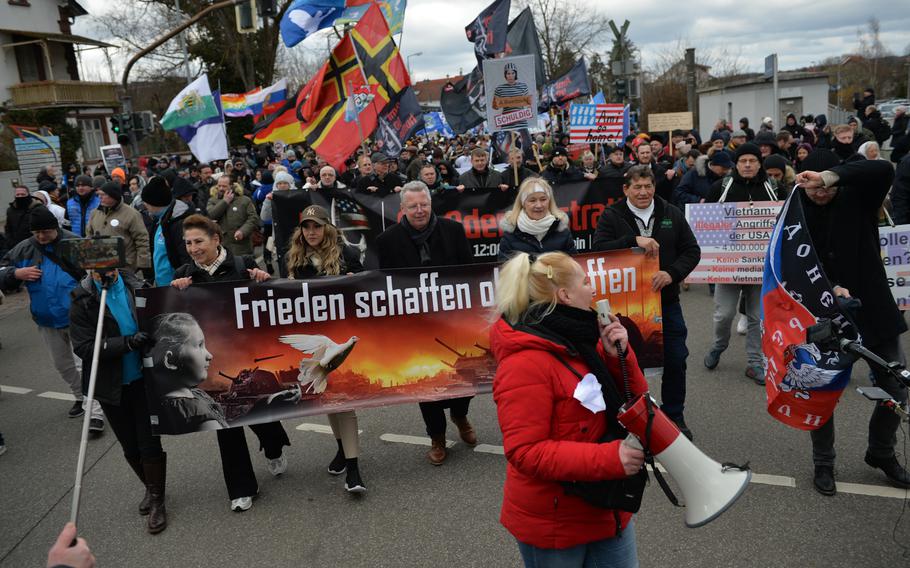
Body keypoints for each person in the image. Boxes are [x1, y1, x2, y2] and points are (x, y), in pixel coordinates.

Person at [490, 251, 647, 567]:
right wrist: (609, 458)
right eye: (586, 281)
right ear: (564, 294)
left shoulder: (581, 338)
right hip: (554, 523)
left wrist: (621, 355)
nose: (593, 289)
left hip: (606, 506)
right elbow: (525, 451)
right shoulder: (525, 362)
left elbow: (637, 405)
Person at [795, 152, 910, 494]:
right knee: (822, 390)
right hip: (825, 315)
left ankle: (881, 452)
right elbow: (789, 265)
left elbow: (881, 168)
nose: (818, 192)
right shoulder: (794, 212)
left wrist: (830, 176)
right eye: (811, 186)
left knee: (896, 387)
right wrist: (827, 285)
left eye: (823, 186)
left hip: (874, 310)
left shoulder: (858, 196)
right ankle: (824, 463)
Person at [170, 214, 289, 511]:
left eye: (199, 241)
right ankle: (241, 488)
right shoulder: (185, 273)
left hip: (246, 352)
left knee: (262, 415)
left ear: (216, 240)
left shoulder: (242, 264)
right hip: (215, 358)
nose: (193, 248)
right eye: (188, 243)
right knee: (225, 423)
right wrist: (173, 292)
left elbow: (269, 303)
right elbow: (173, 316)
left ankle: (274, 448)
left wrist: (263, 280)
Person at [593, 165, 701, 438]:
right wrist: (632, 240)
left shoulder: (671, 213)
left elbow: (692, 251)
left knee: (676, 360)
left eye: (648, 186)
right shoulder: (612, 214)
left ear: (654, 186)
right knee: (630, 363)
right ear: (626, 189)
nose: (644, 192)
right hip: (626, 307)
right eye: (637, 187)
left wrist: (672, 273)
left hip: (667, 303)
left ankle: (675, 415)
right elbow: (598, 249)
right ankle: (635, 416)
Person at [376, 181, 475, 464]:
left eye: (424, 205)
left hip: (454, 321)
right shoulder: (387, 241)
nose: (419, 211)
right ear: (402, 208)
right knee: (427, 382)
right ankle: (437, 437)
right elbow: (386, 286)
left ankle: (460, 415)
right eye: (413, 206)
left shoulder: (453, 230)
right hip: (416, 327)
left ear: (431, 205)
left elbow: (470, 273)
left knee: (463, 375)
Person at [69, 268, 167, 533]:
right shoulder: (82, 298)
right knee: (130, 446)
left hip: (143, 381)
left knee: (149, 444)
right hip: (111, 384)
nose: (105, 275)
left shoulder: (137, 286)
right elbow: (84, 346)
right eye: (99, 272)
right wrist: (126, 343)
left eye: (110, 268)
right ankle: (149, 486)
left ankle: (158, 500)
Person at [285, 205, 366, 493]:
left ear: (326, 228)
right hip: (320, 341)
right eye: (306, 227)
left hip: (343, 335)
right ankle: (342, 451)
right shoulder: (296, 259)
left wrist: (352, 283)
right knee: (329, 399)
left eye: (317, 226)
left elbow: (367, 290)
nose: (311, 232)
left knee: (345, 401)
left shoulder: (347, 254)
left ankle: (354, 469)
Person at [0, 207, 105, 429]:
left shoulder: (74, 243)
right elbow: (3, 270)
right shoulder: (24, 249)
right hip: (46, 319)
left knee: (83, 364)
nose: (40, 236)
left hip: (79, 317)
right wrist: (15, 274)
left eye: (45, 231)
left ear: (55, 227)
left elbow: (100, 272)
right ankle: (79, 397)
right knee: (63, 365)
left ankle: (94, 413)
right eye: (36, 232)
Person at [705, 143, 784, 384]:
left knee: (757, 318)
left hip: (761, 269)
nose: (747, 165)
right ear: (736, 164)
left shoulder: (775, 190)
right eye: (743, 161)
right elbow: (704, 222)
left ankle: (754, 363)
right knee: (724, 314)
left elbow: (786, 223)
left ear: (760, 163)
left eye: (752, 160)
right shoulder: (720, 188)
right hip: (727, 267)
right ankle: (719, 346)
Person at [147, 312, 227, 434]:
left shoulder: (163, 402)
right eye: (199, 345)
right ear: (170, 360)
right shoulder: (197, 415)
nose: (210, 355)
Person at [498, 178, 576, 261]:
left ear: (549, 201)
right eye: (532, 200)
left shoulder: (562, 231)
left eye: (543, 199)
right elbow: (504, 269)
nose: (539, 205)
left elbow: (575, 265)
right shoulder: (511, 233)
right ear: (523, 203)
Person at [86, 182, 151, 274]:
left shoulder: (132, 214)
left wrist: (143, 266)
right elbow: (89, 236)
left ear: (114, 196)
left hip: (126, 267)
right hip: (100, 266)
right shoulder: (95, 213)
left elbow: (142, 239)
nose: (100, 197)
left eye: (103, 194)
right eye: (99, 195)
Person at [141, 177, 194, 286]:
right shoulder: (159, 220)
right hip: (162, 287)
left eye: (146, 203)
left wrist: (184, 282)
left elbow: (187, 257)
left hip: (178, 287)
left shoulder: (179, 222)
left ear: (154, 203)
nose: (145, 206)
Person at [207, 176, 260, 257]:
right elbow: (211, 215)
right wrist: (225, 202)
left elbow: (253, 218)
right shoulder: (212, 201)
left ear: (231, 186)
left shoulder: (244, 200)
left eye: (224, 186)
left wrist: (243, 231)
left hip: (242, 246)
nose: (221, 188)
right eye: (219, 186)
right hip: (223, 246)